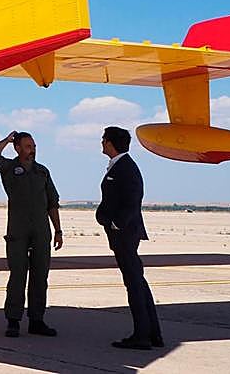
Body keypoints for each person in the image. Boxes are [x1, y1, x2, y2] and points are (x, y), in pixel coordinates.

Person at [0, 130, 63, 338]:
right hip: (17, 231)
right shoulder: (9, 168)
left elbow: (52, 203)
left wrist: (58, 230)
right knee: (18, 276)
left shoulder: (42, 172)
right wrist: (7, 140)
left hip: (41, 231)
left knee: (40, 276)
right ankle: (13, 320)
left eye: (34, 147)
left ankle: (37, 320)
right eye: (28, 147)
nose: (32, 150)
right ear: (18, 148)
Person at [98, 125, 163, 350]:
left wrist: (116, 224)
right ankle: (152, 333)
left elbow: (133, 199)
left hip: (124, 235)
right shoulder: (121, 165)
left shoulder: (125, 167)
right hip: (124, 233)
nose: (102, 143)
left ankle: (142, 336)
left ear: (110, 143)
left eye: (104, 139)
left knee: (134, 285)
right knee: (138, 282)